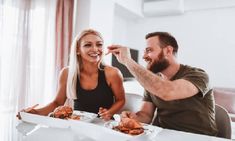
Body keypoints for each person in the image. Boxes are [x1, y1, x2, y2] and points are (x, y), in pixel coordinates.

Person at [107, 32, 218, 136]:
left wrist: (128, 61)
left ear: (168, 51)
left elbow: (167, 92)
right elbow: (146, 115)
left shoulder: (198, 75)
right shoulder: (152, 82)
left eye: (149, 50)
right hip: (163, 136)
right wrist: (133, 117)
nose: (144, 56)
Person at [18, 29, 125, 120]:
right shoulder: (67, 73)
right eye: (88, 45)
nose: (95, 49)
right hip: (77, 123)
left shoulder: (112, 73)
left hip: (103, 124)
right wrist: (34, 112)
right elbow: (57, 103)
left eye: (99, 44)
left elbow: (121, 100)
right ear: (78, 50)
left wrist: (109, 112)